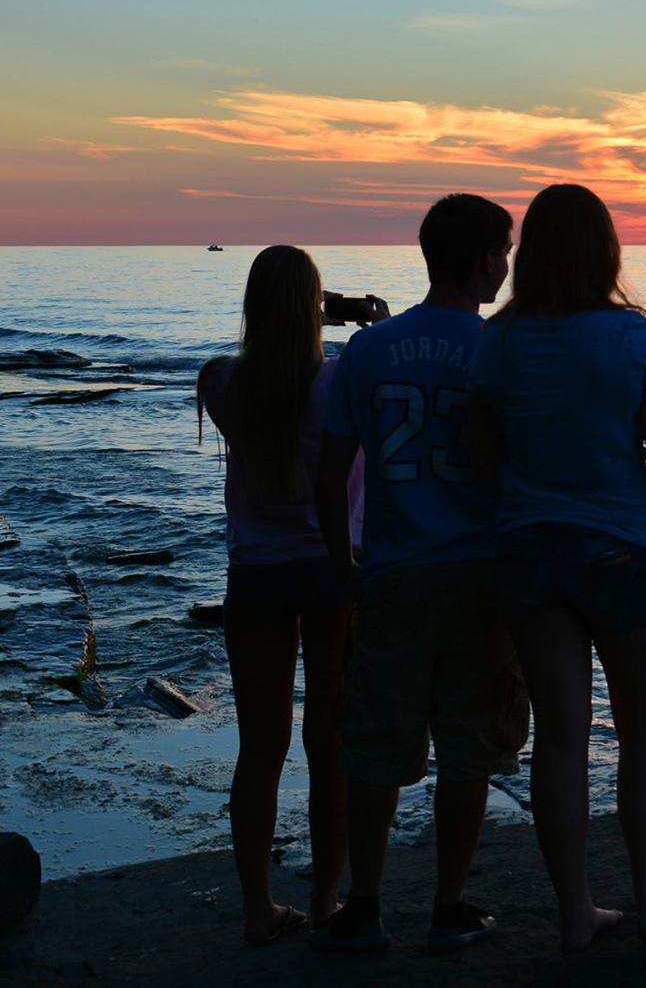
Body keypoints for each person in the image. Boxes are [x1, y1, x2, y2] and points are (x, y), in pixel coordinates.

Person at [468, 183, 646, 951]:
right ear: (606, 251)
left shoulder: (500, 339)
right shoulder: (631, 337)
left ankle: (576, 911)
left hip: (528, 546)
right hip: (621, 547)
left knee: (559, 735)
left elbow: (480, 456)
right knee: (644, 728)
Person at [311, 193, 527, 954]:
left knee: (375, 743)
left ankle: (365, 904)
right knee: (469, 744)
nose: (507, 264)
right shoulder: (500, 348)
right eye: (502, 251)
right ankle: (448, 904)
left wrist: (345, 562)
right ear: (478, 260)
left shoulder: (369, 350)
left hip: (395, 570)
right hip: (478, 574)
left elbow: (331, 470)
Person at [196, 245, 367, 945]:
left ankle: (257, 907)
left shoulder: (222, 383)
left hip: (256, 573)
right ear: (314, 307)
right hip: (331, 568)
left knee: (259, 748)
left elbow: (250, 375)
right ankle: (326, 898)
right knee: (329, 741)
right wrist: (362, 319)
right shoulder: (340, 382)